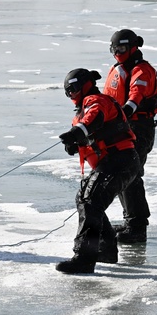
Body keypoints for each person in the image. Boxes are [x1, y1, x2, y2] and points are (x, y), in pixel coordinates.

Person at [56, 69, 143, 275]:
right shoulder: (81, 113)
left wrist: (78, 132)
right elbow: (88, 134)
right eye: (68, 92)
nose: (71, 95)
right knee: (84, 198)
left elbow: (95, 117)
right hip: (112, 162)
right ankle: (106, 249)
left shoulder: (96, 101)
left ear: (85, 86)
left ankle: (84, 259)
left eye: (74, 89)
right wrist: (75, 144)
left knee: (91, 200)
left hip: (121, 160)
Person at [102, 29, 157, 244]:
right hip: (121, 128)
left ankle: (137, 227)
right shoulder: (118, 70)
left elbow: (136, 94)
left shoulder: (142, 71)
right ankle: (130, 222)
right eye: (114, 49)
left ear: (133, 47)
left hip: (139, 129)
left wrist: (125, 111)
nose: (117, 52)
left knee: (131, 174)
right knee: (120, 172)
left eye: (122, 48)